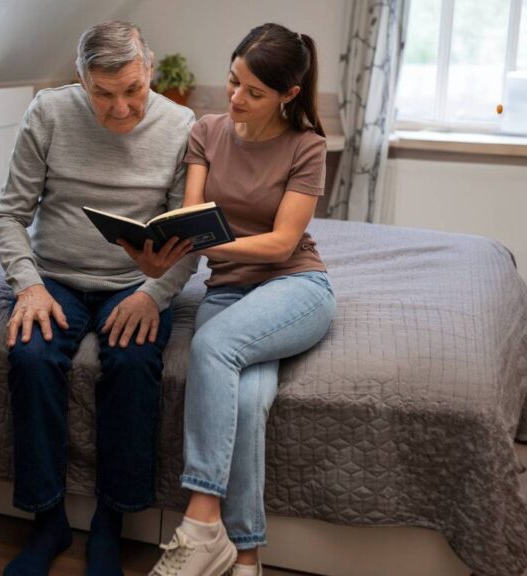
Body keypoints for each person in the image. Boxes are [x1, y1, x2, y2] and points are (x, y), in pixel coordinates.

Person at [0, 20, 197, 576]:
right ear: (80, 80)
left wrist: (153, 296)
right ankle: (48, 520)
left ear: (149, 67)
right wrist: (27, 285)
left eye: (133, 90)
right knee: (31, 356)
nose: (122, 108)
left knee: (132, 362)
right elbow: (10, 215)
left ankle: (111, 519)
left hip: (134, 283)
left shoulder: (181, 125)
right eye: (103, 95)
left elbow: (189, 241)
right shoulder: (49, 113)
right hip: (53, 275)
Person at [142, 23, 336, 576]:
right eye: (232, 82)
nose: (236, 98)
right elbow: (191, 215)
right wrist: (162, 248)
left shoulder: (307, 147)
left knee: (213, 349)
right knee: (247, 404)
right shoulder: (206, 131)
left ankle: (201, 520)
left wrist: (203, 238)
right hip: (227, 291)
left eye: (253, 92)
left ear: (288, 95)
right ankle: (245, 556)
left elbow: (280, 244)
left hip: (294, 288)